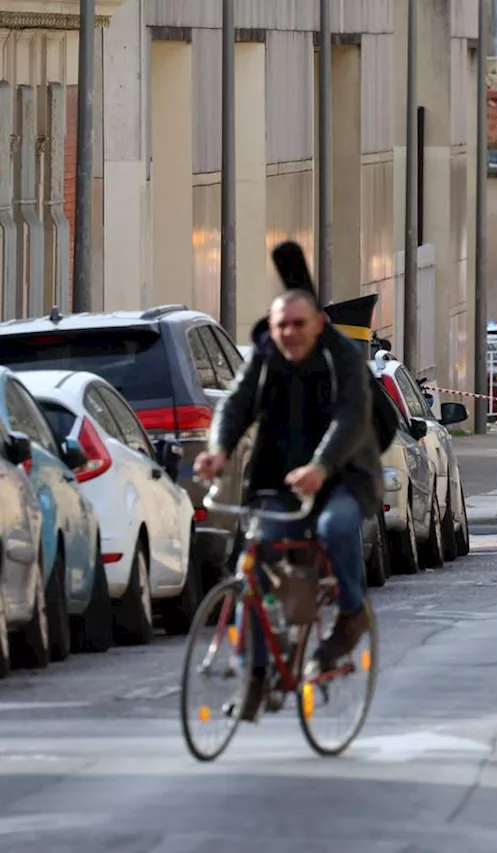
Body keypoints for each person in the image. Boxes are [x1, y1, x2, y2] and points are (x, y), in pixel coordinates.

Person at [193, 288, 384, 721]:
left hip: (344, 479)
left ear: (318, 324)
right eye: (282, 325)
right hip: (281, 483)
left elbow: (351, 418)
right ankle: (257, 679)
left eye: (299, 324)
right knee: (256, 569)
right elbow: (235, 405)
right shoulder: (265, 357)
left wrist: (321, 465)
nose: (290, 333)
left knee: (336, 528)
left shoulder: (343, 360)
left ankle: (351, 616)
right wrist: (219, 450)